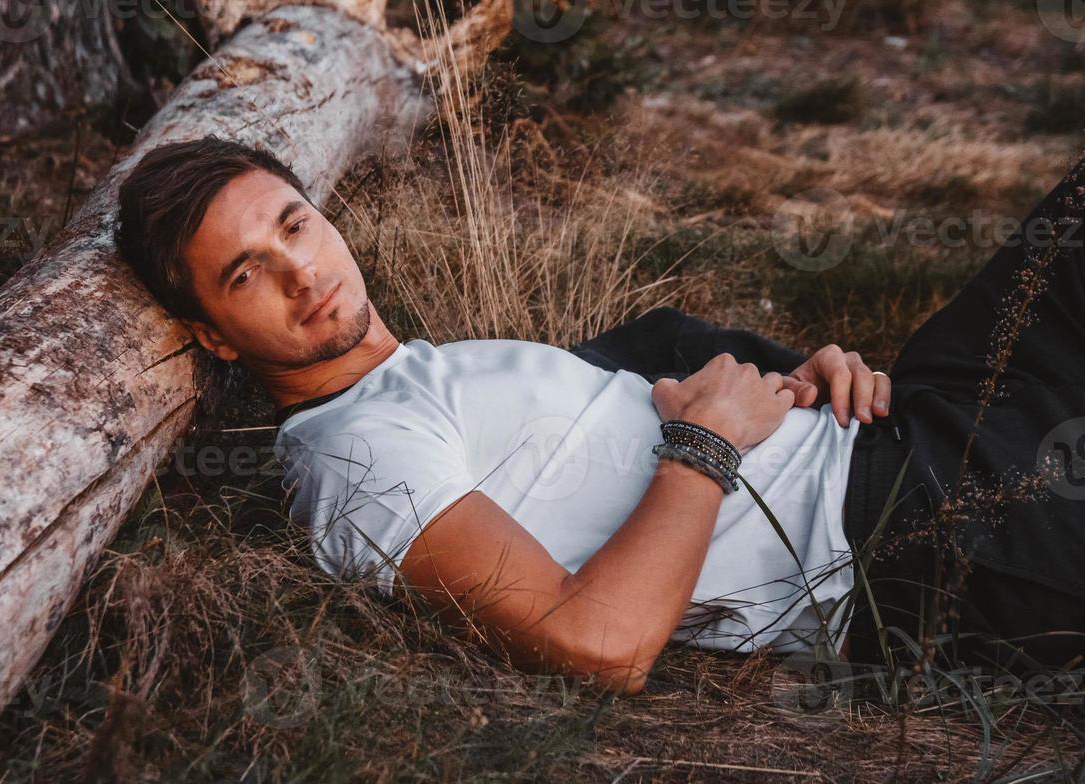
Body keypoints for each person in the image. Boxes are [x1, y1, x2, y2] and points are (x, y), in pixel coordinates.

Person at [114, 135, 1085, 694]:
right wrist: (708, 442)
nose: (303, 272)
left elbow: (640, 383)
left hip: (905, 416)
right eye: (249, 274)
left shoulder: (418, 371)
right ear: (217, 338)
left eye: (295, 224)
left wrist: (796, 370)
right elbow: (599, 642)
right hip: (907, 531)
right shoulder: (357, 458)